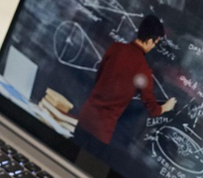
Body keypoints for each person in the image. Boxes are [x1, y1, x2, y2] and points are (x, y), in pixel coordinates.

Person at [75, 16, 177, 146]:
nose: (153, 47)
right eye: (155, 43)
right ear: (150, 40)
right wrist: (166, 107)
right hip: (102, 131)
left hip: (85, 117)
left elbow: (98, 77)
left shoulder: (115, 48)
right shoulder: (143, 70)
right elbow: (153, 109)